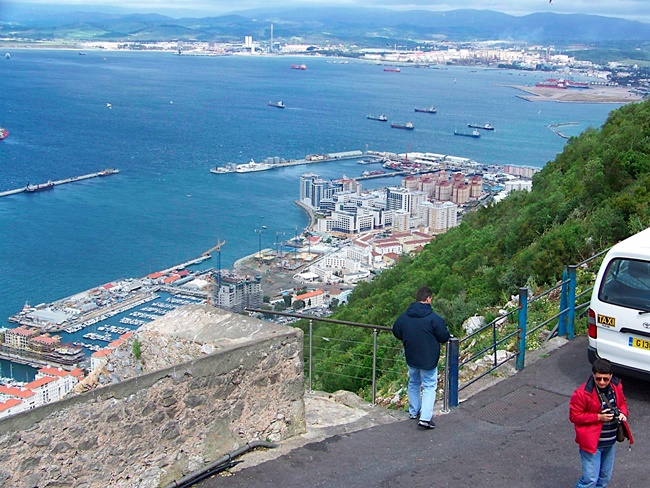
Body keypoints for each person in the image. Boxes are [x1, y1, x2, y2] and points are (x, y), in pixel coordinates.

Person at [569, 358, 634, 488]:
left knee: (604, 479)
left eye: (606, 379)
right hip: (592, 444)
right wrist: (599, 417)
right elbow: (574, 416)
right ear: (593, 375)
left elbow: (622, 403)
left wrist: (622, 413)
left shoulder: (617, 386)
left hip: (609, 442)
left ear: (611, 376)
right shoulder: (582, 393)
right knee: (590, 480)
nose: (602, 382)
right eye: (598, 379)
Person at [393, 286, 450, 429]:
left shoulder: (404, 317)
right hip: (429, 358)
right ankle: (425, 417)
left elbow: (396, 331)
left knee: (414, 382)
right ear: (428, 299)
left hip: (411, 355)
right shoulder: (434, 319)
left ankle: (414, 411)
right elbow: (443, 337)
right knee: (430, 385)